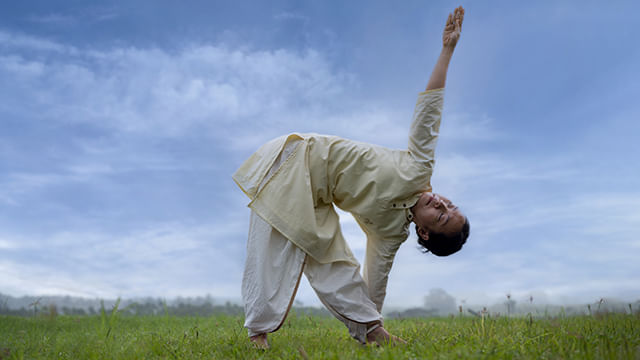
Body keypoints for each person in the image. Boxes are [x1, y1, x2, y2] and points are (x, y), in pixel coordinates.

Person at [233, 6, 469, 349]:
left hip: (316, 196)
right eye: (449, 204)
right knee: (272, 248)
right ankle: (258, 335)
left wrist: (372, 318)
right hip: (292, 161)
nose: (442, 203)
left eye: (442, 215)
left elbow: (376, 280)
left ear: (424, 231)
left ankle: (371, 333)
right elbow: (428, 116)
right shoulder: (418, 169)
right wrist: (447, 50)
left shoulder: (390, 233)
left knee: (336, 259)